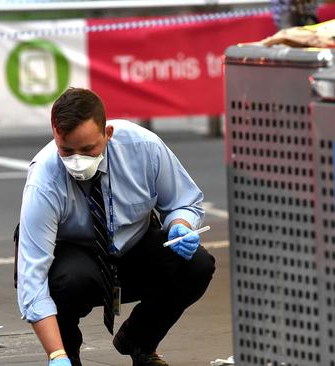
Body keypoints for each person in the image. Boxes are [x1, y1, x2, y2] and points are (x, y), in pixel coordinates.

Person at [16, 88, 216, 366]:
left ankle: (139, 341)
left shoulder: (144, 146)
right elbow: (32, 276)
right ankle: (69, 353)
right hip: (76, 254)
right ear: (54, 135)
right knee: (68, 282)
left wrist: (182, 224)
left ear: (108, 133)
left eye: (88, 150)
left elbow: (184, 201)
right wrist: (56, 354)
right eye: (66, 150)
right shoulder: (43, 180)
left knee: (197, 264)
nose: (77, 160)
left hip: (133, 245)